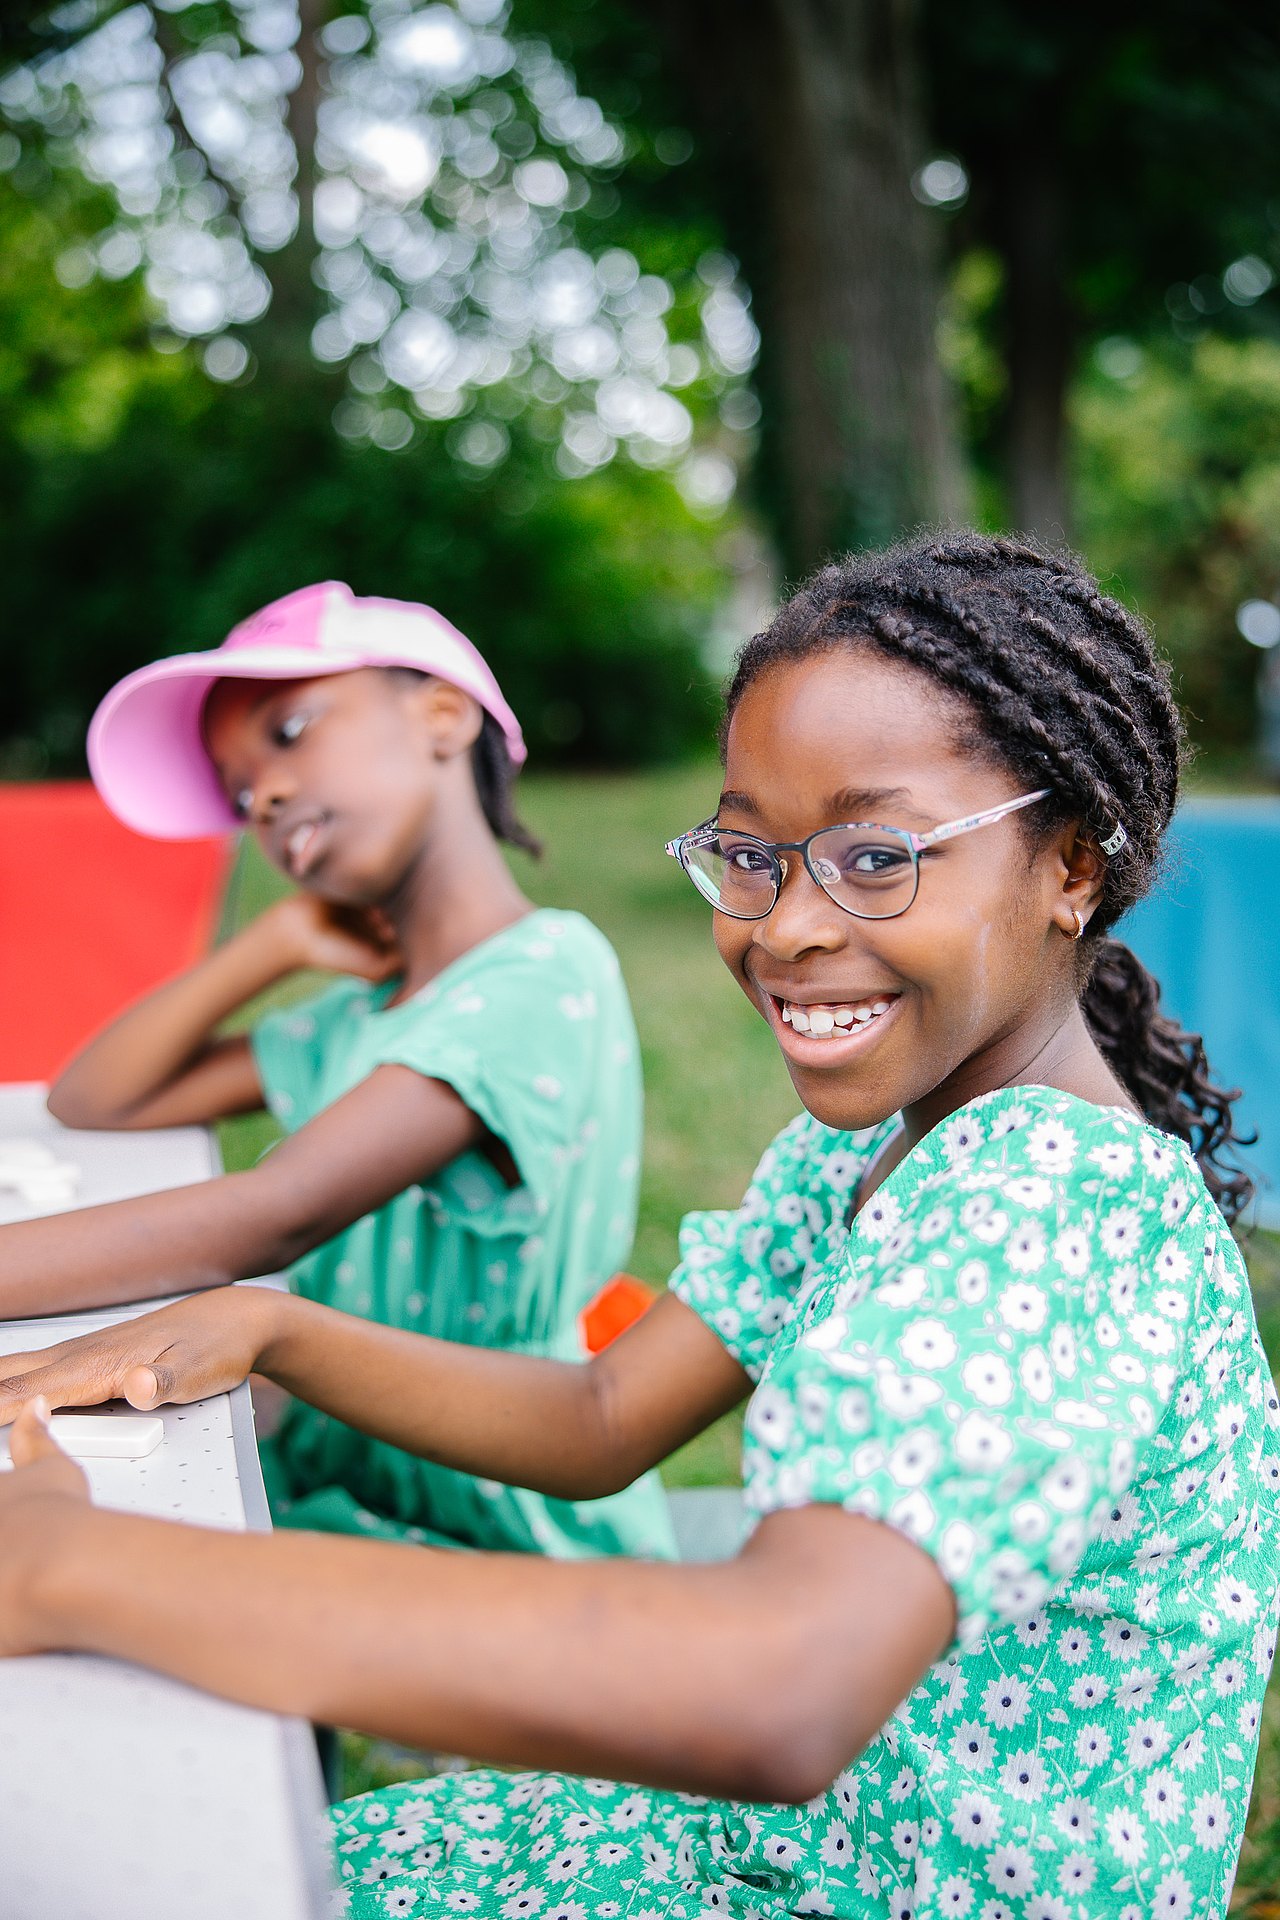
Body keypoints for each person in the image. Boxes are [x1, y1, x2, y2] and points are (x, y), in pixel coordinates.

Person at [1, 532, 1275, 1920]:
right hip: (787, 1852)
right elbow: (606, 1416)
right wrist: (276, 1328)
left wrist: (79, 1567)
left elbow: (781, 1687)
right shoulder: (867, 1156)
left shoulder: (1054, 1209)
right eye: (748, 854)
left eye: (875, 856)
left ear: (1071, 867)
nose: (784, 927)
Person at [3, 579, 675, 1562]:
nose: (263, 796)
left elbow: (276, 1212)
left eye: (289, 732)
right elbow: (96, 1097)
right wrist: (270, 945)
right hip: (349, 1461)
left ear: (442, 715)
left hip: (494, 1494)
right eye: (240, 795)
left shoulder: (541, 972)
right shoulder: (363, 1016)